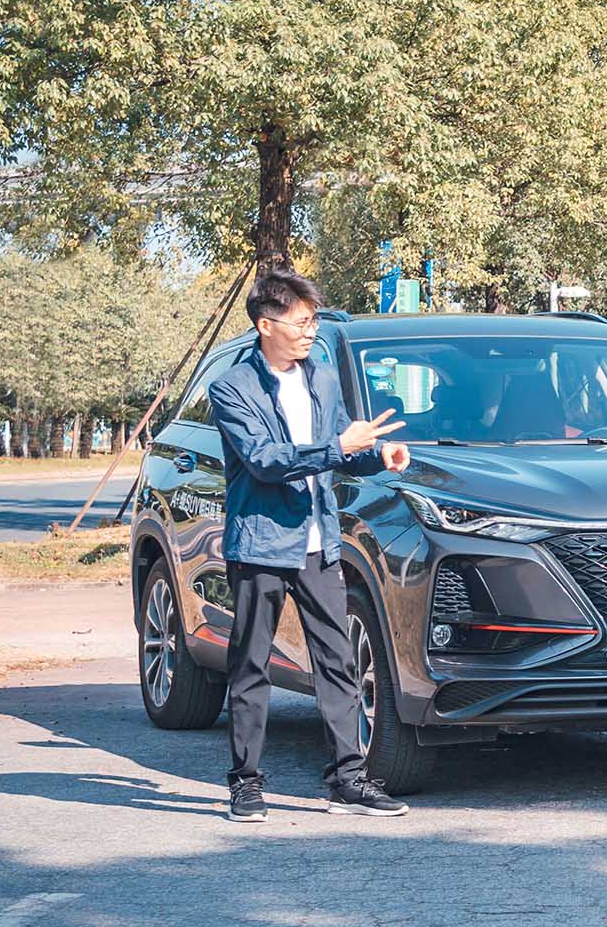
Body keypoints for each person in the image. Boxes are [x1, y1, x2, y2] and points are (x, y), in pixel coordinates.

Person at [208, 269, 413, 822]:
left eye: (313, 321)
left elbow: (341, 449)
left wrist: (378, 455)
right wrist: (339, 446)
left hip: (320, 543)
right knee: (251, 665)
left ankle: (348, 780)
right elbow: (264, 460)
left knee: (337, 661)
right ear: (265, 324)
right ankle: (245, 783)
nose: (310, 331)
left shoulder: (321, 377)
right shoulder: (232, 388)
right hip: (261, 543)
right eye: (301, 322)